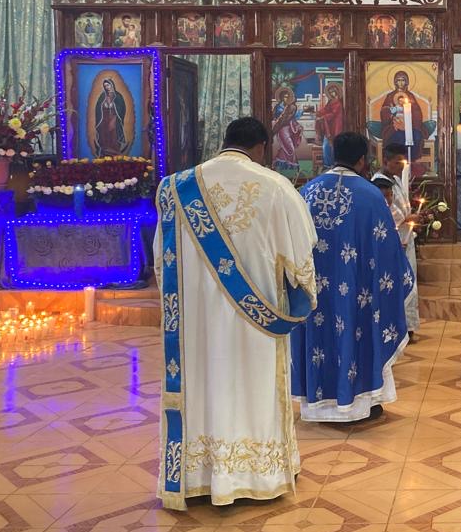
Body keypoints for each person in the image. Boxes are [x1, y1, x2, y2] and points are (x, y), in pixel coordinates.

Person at [153, 117, 318, 510]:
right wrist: (303, 294)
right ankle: (256, 474)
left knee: (202, 387)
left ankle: (198, 475)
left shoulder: (174, 188)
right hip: (254, 328)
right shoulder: (276, 187)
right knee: (250, 388)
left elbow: (161, 262)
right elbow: (301, 260)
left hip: (195, 327)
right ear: (261, 146)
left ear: (224, 142)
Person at [291, 132, 414, 422]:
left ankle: (318, 404)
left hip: (316, 292)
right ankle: (360, 404)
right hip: (358, 292)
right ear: (362, 160)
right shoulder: (370, 195)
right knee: (359, 335)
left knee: (320, 339)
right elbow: (388, 251)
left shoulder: (306, 191)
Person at [377, 142, 421, 336]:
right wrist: (406, 218)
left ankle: (408, 326)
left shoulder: (394, 180)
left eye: (403, 161)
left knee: (409, 281)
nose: (402, 165)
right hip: (395, 241)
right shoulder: (379, 183)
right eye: (397, 162)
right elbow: (384, 211)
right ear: (385, 161)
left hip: (405, 237)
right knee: (400, 282)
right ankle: (401, 327)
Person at [95, 78, 128, 156]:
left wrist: (114, 105)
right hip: (104, 119)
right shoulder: (103, 96)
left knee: (113, 134)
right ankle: (104, 151)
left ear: (112, 85)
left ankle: (115, 151)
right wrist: (103, 105)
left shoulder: (118, 96)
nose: (107, 87)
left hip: (114, 118)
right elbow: (98, 107)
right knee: (104, 134)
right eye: (105, 86)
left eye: (108, 85)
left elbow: (122, 108)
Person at [271, 87, 302, 170]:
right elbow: (275, 117)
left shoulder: (291, 107)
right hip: (282, 129)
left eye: (288, 96)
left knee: (285, 148)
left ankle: (284, 165)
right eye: (285, 96)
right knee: (289, 148)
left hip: (290, 129)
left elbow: (293, 116)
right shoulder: (278, 107)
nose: (287, 98)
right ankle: (293, 165)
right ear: (281, 97)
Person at [316, 82, 344, 168]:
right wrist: (318, 113)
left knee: (330, 146)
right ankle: (327, 165)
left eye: (333, 92)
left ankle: (332, 164)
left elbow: (333, 114)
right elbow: (325, 110)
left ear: (336, 92)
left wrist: (322, 117)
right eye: (330, 92)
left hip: (335, 127)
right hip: (329, 127)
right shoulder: (330, 102)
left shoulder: (338, 103)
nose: (331, 93)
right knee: (326, 146)